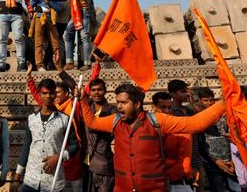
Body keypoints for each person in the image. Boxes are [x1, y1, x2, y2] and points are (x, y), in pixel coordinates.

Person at [75, 82, 227, 192]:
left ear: (137, 104)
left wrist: (224, 103)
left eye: (123, 102)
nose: (119, 106)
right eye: (118, 102)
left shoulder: (157, 120)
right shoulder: (115, 121)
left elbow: (195, 123)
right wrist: (82, 99)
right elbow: (92, 122)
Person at [12, 78, 79, 192]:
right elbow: (26, 147)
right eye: (45, 93)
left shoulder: (65, 119)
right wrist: (17, 177)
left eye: (51, 93)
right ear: (39, 94)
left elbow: (75, 146)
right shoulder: (31, 119)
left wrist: (58, 158)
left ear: (55, 94)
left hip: (53, 182)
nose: (48, 96)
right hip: (31, 180)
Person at [26, 61, 83, 191]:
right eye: (46, 93)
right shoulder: (47, 109)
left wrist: (60, 70)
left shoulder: (73, 105)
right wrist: (29, 78)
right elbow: (37, 93)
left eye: (55, 93)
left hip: (68, 158)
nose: (51, 96)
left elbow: (75, 88)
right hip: (36, 174)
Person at [46, 0, 105, 71]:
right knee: (67, 35)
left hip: (85, 12)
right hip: (75, 13)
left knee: (84, 36)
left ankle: (87, 63)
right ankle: (69, 62)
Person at [197, 87, 240, 192]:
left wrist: (232, 159)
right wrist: (215, 161)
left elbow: (233, 136)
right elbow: (200, 144)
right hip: (212, 163)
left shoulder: (224, 116)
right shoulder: (198, 119)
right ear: (200, 101)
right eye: (206, 100)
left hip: (230, 161)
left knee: (236, 188)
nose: (210, 103)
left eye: (211, 100)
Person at [152, 92, 193, 191]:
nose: (167, 111)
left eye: (169, 107)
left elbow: (185, 165)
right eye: (163, 107)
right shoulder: (144, 128)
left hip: (173, 181)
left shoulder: (180, 129)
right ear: (153, 107)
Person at [168, 79, 203, 188]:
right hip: (180, 160)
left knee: (198, 187)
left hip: (195, 156)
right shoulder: (170, 112)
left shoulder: (188, 110)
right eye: (183, 91)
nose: (187, 94)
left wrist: (193, 103)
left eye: (186, 91)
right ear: (173, 94)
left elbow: (203, 119)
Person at [85, 78, 116, 192]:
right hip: (87, 162)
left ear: (105, 91)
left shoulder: (112, 110)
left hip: (103, 164)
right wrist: (60, 70)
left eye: (99, 90)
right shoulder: (88, 108)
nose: (96, 93)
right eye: (93, 90)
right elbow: (76, 89)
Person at [29, 0, 62, 71]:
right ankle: (40, 65)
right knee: (38, 42)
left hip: (51, 18)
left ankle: (58, 63)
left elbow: (59, 8)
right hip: (39, 17)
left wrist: (49, 2)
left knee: (55, 42)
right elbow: (31, 3)